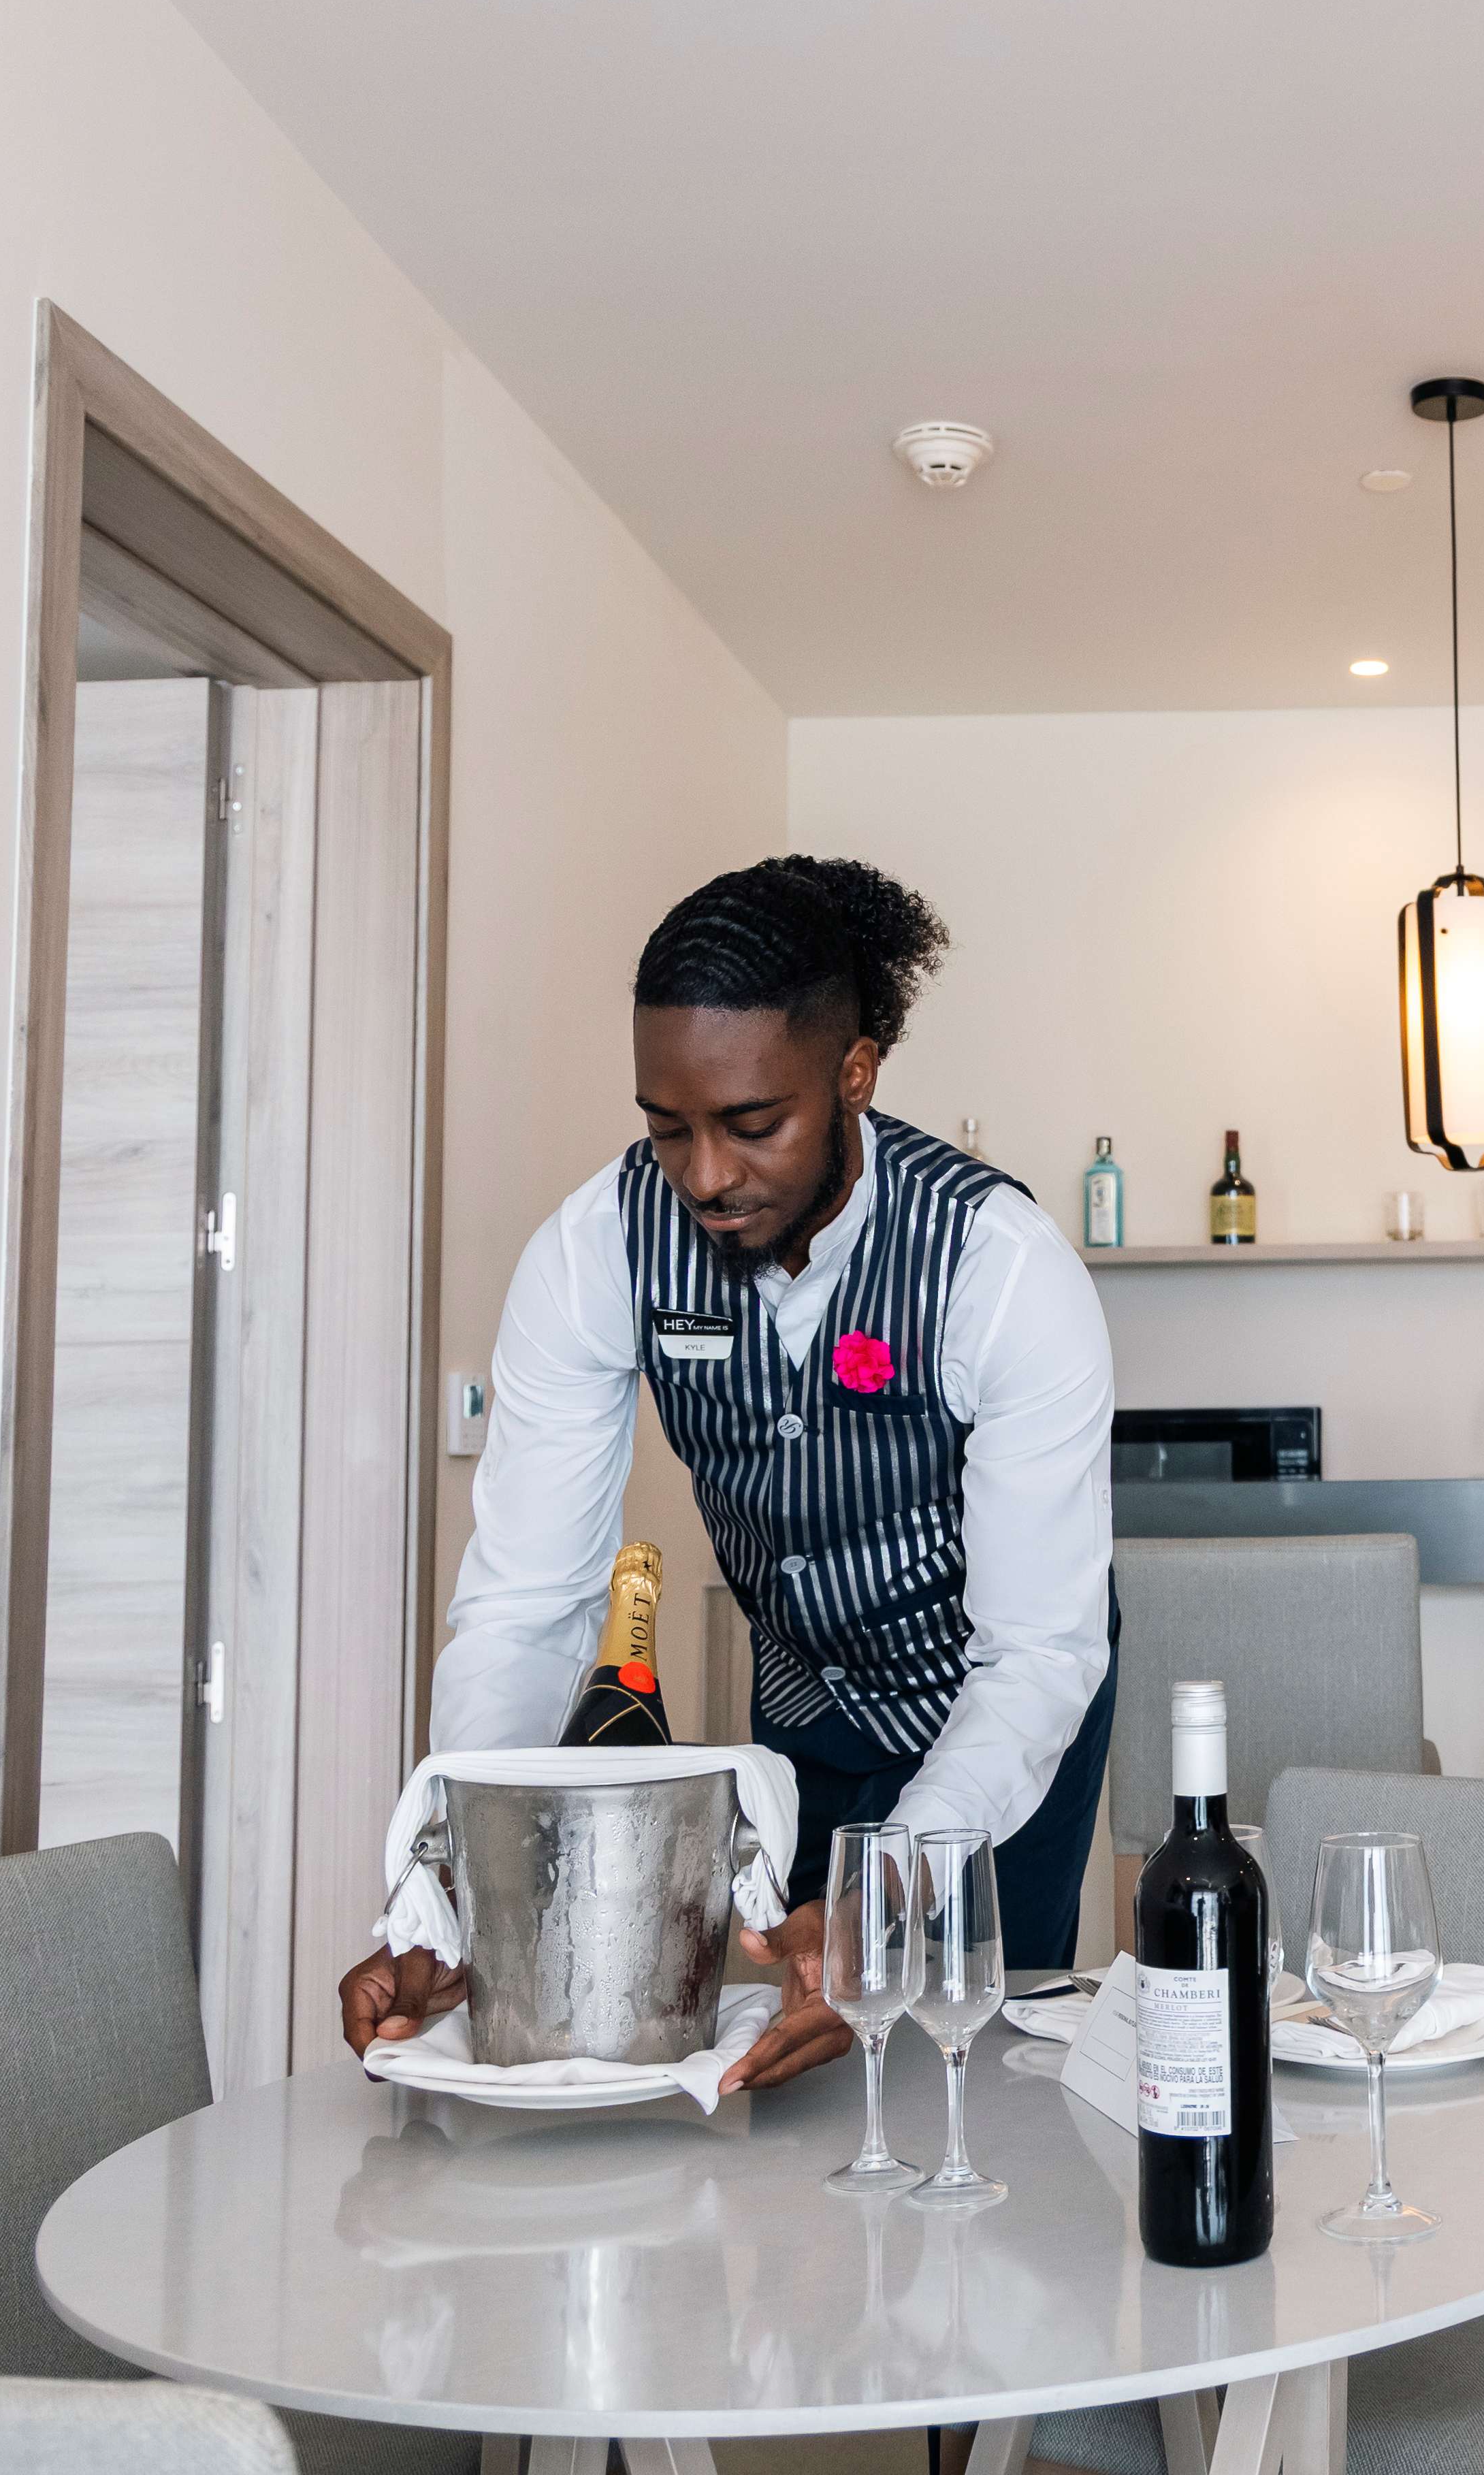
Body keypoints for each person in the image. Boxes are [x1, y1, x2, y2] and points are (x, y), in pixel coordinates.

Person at [336, 857, 1115, 2088]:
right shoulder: (594, 1252)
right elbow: (529, 1607)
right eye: (667, 1127)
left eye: (754, 1125)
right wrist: (448, 1899)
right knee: (805, 2048)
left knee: (970, 2050)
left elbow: (1037, 1654)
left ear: (855, 1074)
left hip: (996, 1695)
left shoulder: (1001, 1268)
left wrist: (896, 1887)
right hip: (801, 1699)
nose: (703, 1174)